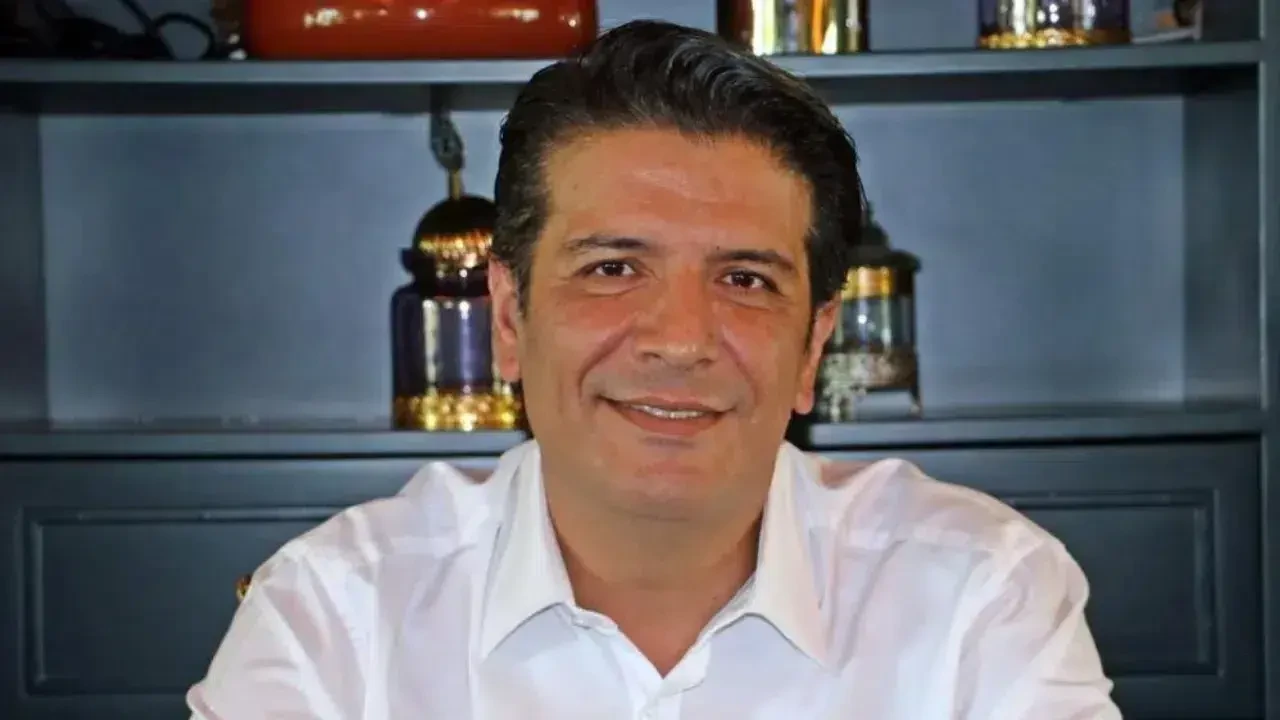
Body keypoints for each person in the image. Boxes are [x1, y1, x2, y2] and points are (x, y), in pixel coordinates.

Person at [186, 19, 1122, 720]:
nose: (681, 339)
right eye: (612, 269)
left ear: (813, 346)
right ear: (509, 317)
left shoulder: (979, 598)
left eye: (746, 280)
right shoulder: (333, 619)